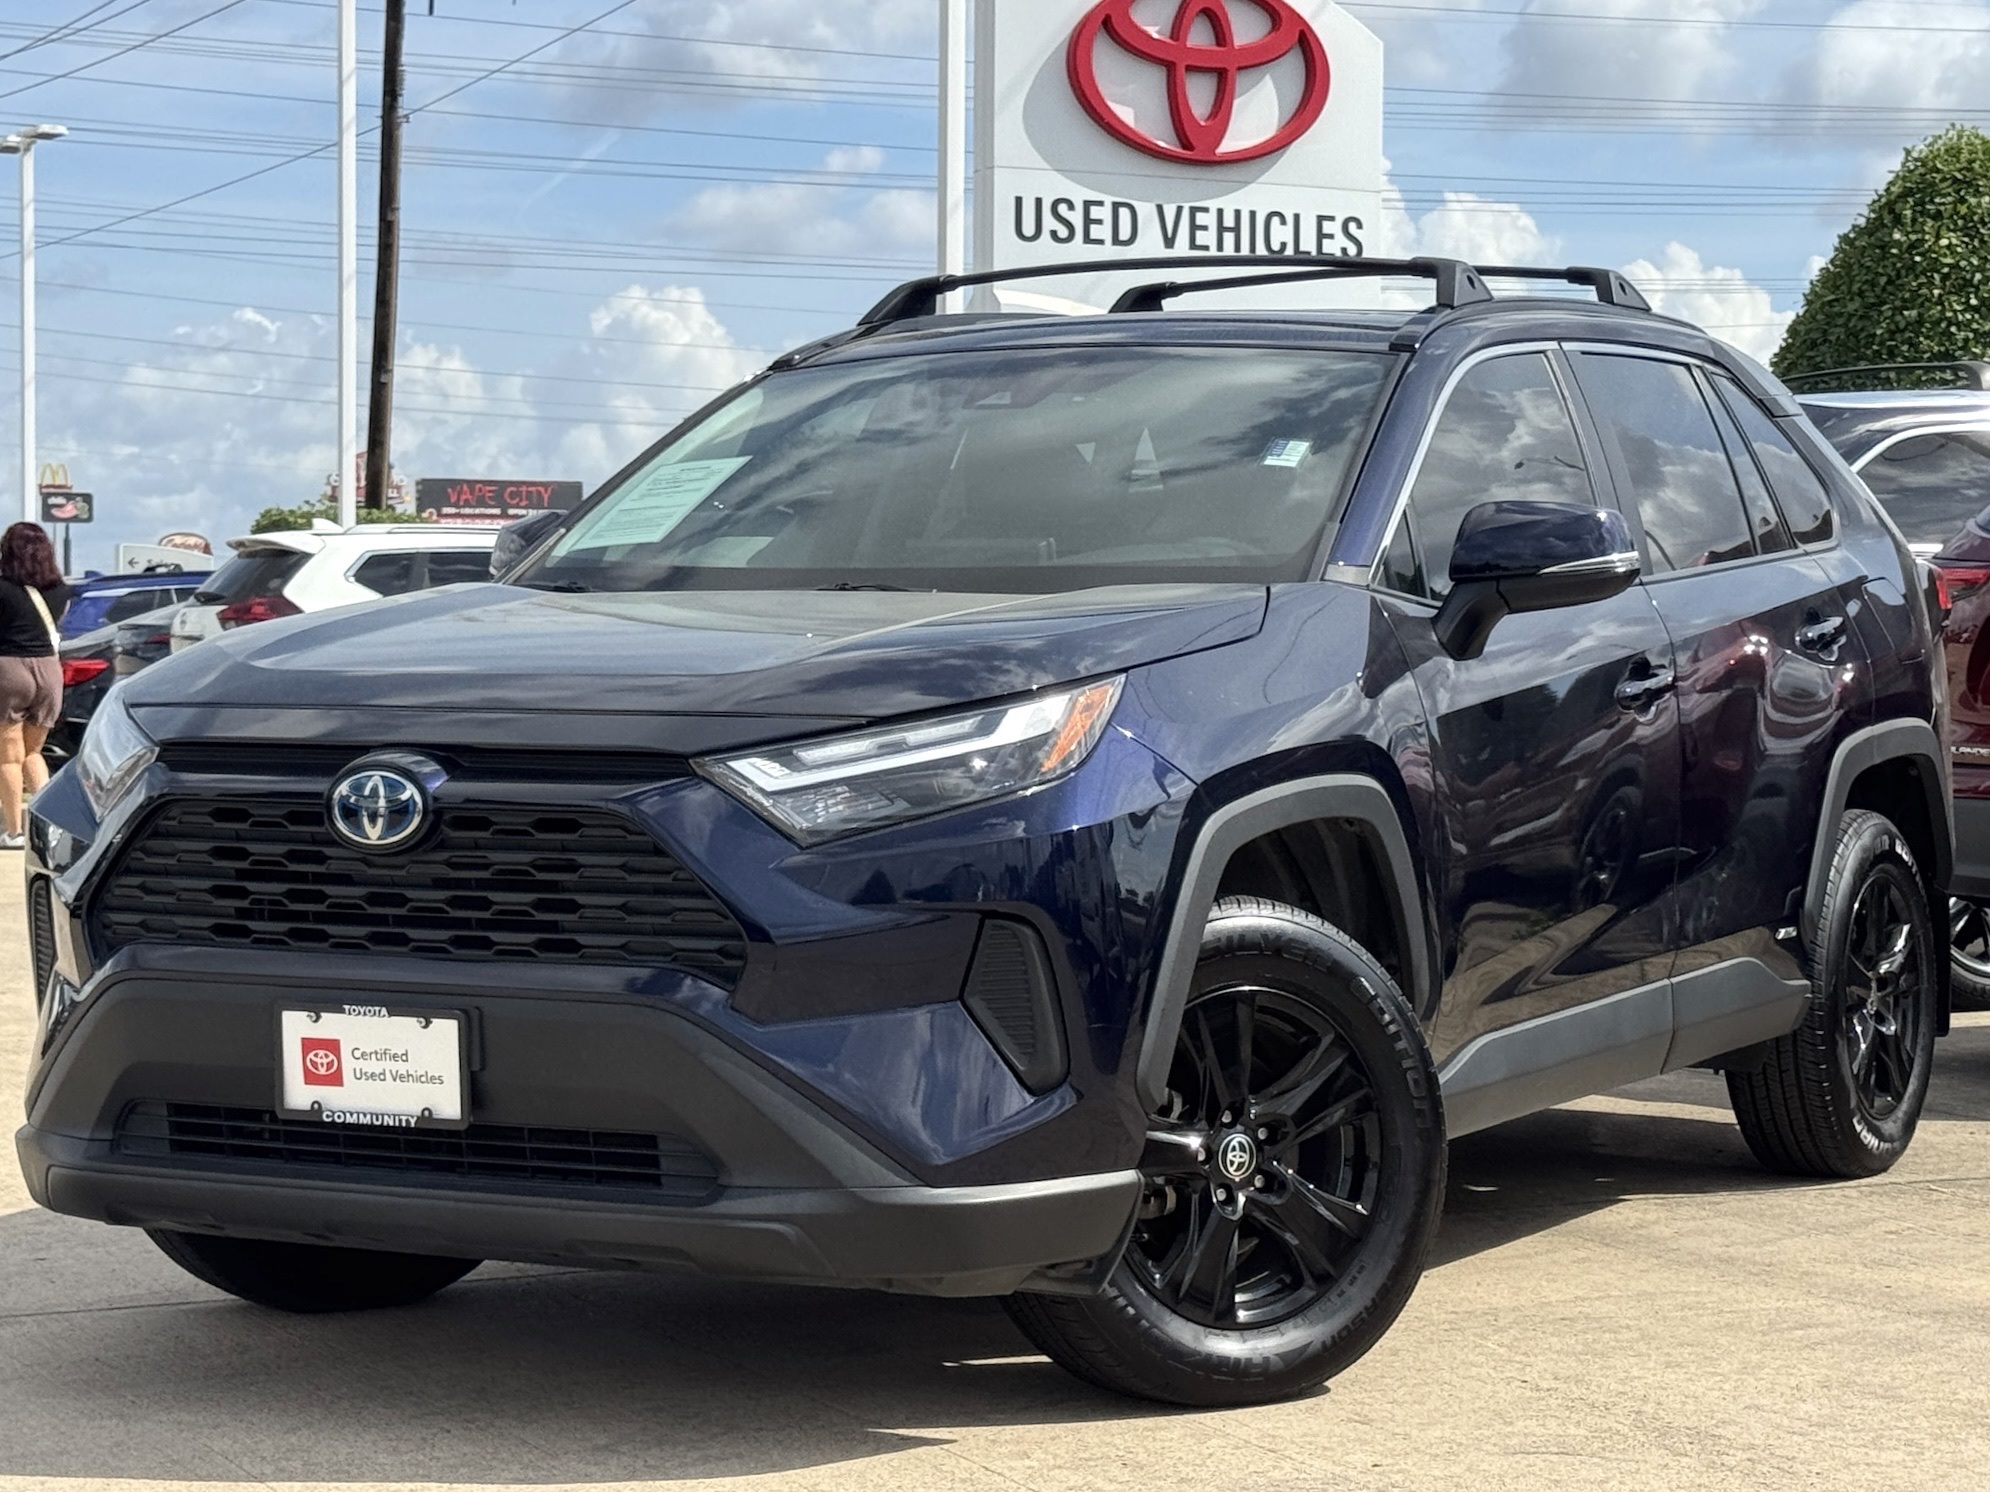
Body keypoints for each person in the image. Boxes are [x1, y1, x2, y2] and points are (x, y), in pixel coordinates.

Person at [0, 521, 70, 849]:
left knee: (8, 758)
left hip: (10, 669)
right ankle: (47, 829)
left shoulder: (2, 589)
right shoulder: (61, 591)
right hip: (49, 670)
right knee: (33, 753)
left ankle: (14, 832)